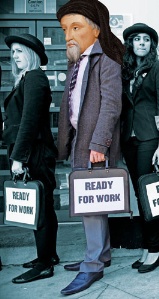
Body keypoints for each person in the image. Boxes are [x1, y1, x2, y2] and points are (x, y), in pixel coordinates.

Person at [56, 0, 125, 295]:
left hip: (93, 144)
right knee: (93, 206)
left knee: (91, 207)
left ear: (95, 31)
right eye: (64, 29)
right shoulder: (76, 62)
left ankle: (92, 265)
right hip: (78, 142)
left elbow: (111, 105)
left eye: (76, 28)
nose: (69, 35)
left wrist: (99, 143)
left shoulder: (106, 60)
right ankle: (102, 254)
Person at [121, 23, 159, 272]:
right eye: (137, 39)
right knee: (139, 196)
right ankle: (147, 245)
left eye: (146, 39)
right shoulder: (127, 70)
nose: (142, 43)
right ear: (131, 43)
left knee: (148, 196)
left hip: (151, 138)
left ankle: (156, 249)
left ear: (151, 45)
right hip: (130, 140)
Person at [4, 33, 58, 284]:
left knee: (41, 208)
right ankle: (49, 256)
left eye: (20, 51)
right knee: (43, 205)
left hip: (33, 152)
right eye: (13, 52)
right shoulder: (25, 79)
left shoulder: (35, 77)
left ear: (32, 55)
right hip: (31, 151)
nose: (15, 56)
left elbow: (29, 122)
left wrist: (18, 158)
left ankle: (45, 264)